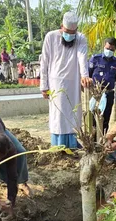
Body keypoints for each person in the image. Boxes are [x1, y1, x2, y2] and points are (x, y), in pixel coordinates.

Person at [40, 12, 92, 148]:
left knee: (73, 113)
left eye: (73, 32)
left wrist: (84, 75)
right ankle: (58, 145)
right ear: (61, 27)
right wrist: (43, 86)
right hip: (54, 82)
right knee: (58, 115)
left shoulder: (80, 38)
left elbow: (82, 57)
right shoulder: (50, 37)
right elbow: (44, 62)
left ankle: (73, 145)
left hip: (73, 82)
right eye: (67, 32)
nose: (70, 35)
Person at [88, 37, 116, 133]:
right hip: (95, 94)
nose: (109, 51)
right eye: (107, 48)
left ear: (115, 49)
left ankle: (103, 139)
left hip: (108, 94)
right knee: (92, 118)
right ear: (104, 46)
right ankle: (93, 141)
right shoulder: (95, 59)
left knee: (105, 118)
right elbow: (88, 75)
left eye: (111, 49)